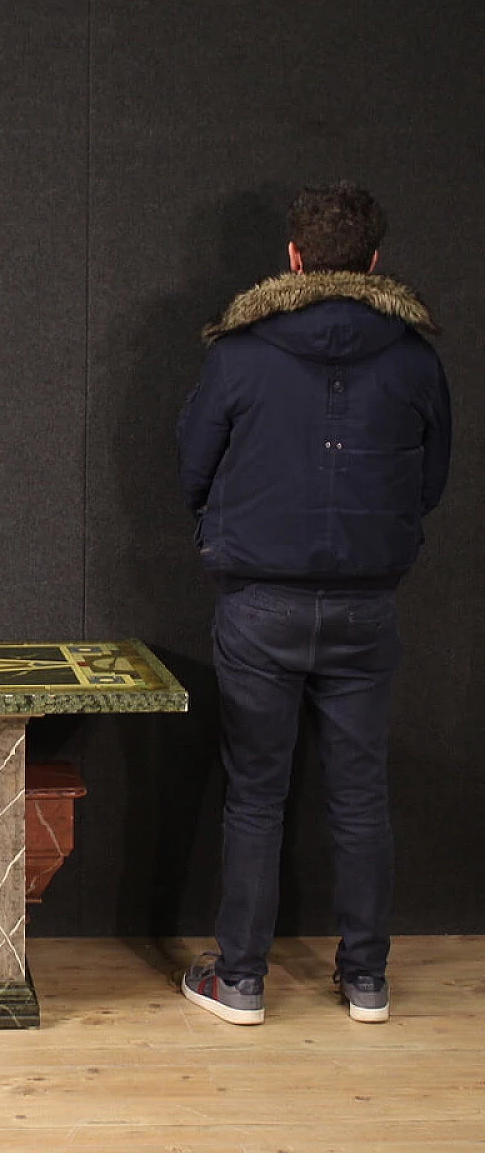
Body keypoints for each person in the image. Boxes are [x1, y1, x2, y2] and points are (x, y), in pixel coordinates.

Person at [176, 183, 452, 1025]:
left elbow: (193, 466)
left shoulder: (238, 353)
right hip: (370, 605)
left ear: (293, 258)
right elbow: (430, 483)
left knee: (255, 794)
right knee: (361, 794)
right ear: (374, 262)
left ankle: (243, 981)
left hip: (259, 602)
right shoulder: (415, 359)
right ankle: (367, 980)